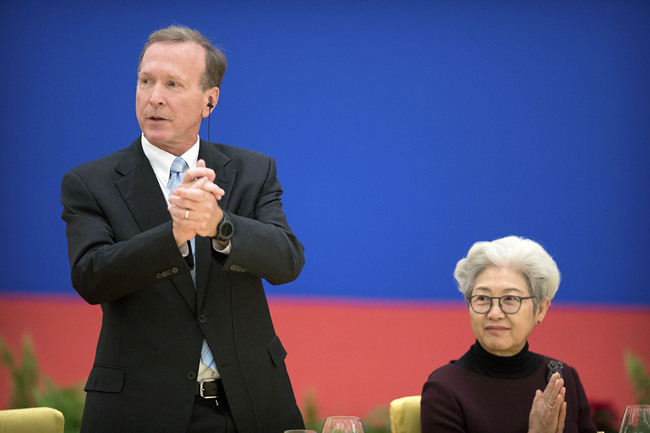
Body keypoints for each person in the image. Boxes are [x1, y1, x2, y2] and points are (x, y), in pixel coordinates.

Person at [61, 25, 305, 433]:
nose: (154, 97)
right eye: (145, 81)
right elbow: (91, 277)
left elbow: (287, 260)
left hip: (252, 405)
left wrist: (219, 226)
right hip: (140, 410)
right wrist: (172, 235)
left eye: (173, 84)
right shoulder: (91, 183)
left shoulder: (251, 171)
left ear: (209, 101)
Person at [421, 236, 597, 433]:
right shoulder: (445, 388)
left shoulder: (562, 377)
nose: (494, 313)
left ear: (540, 309)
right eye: (482, 298)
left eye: (510, 299)